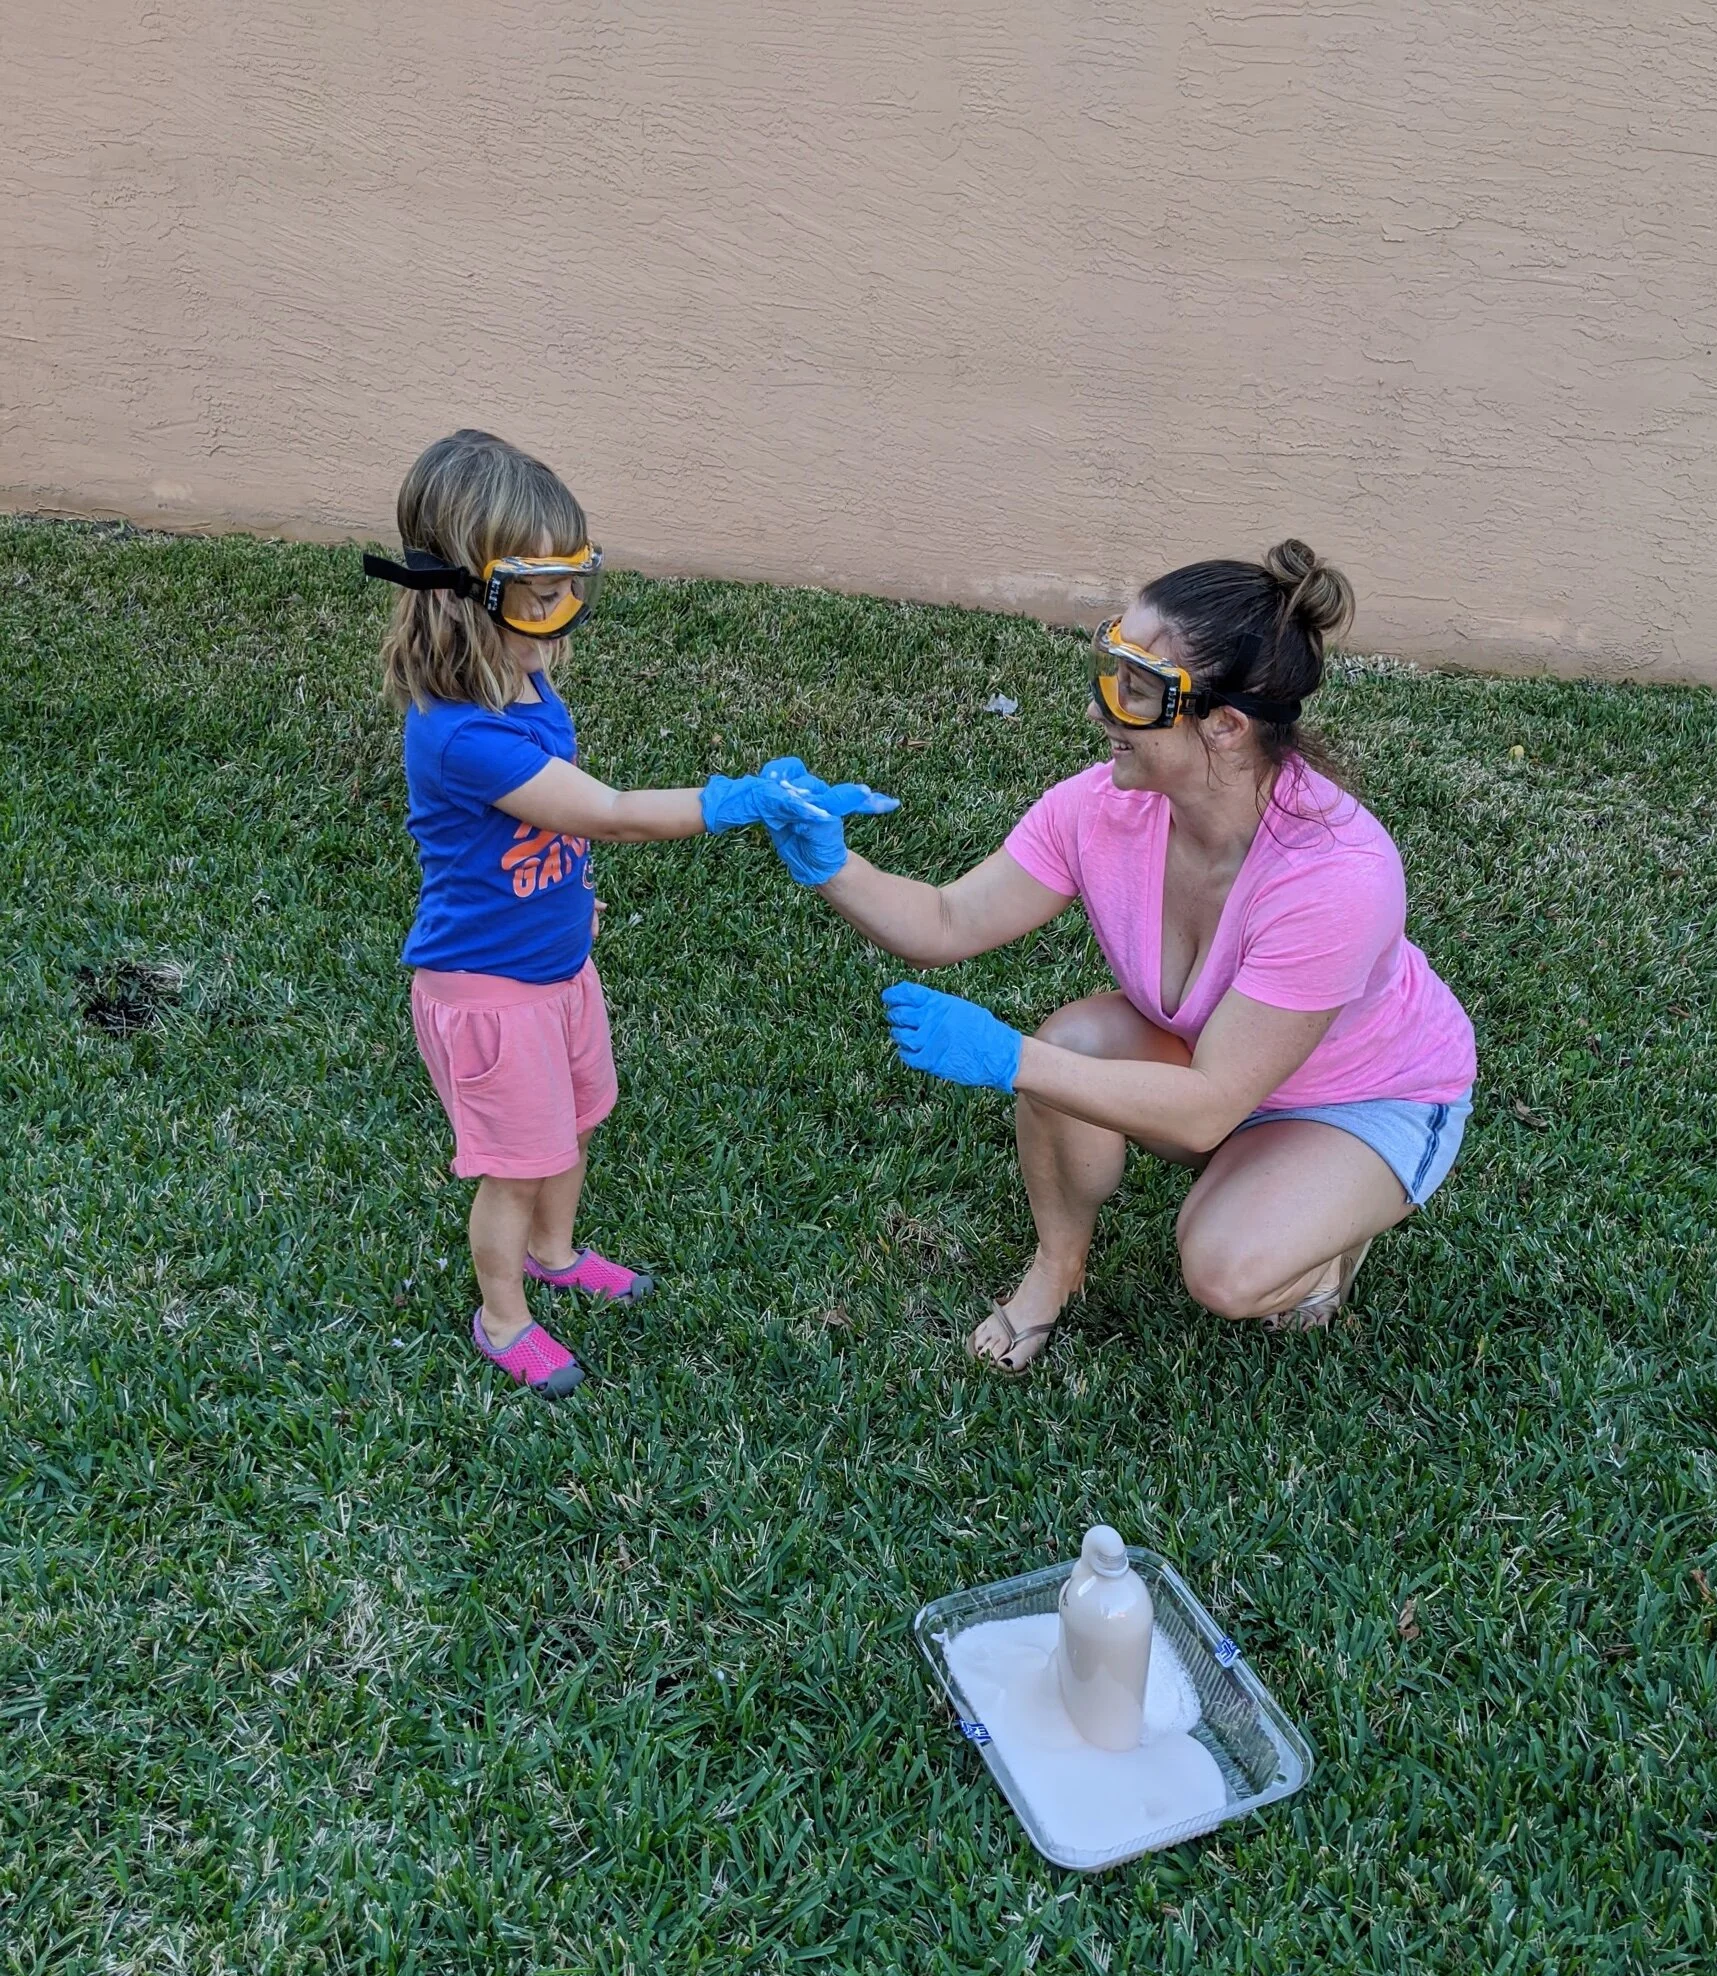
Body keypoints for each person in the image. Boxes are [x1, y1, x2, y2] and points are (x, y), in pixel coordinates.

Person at [755, 543, 1475, 1371]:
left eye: (1133, 688)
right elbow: (947, 921)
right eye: (1108, 664)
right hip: (1217, 1067)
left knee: (1226, 1270)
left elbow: (1206, 1107)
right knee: (1075, 1049)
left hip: (1363, 1095)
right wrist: (831, 863)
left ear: (1226, 725)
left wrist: (1007, 1057)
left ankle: (1325, 1241)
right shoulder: (1100, 808)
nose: (1100, 710)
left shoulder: (1335, 876)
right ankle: (1057, 1268)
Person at [370, 429, 893, 1396]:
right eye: (544, 594)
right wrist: (731, 801)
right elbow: (604, 813)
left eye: (576, 583)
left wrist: (569, 902)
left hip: (559, 962)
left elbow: (547, 832)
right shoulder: (460, 738)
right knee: (515, 1167)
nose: (566, 614)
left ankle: (555, 1256)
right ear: (466, 596)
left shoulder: (523, 679)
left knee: (572, 1125)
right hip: (491, 996)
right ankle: (501, 1316)